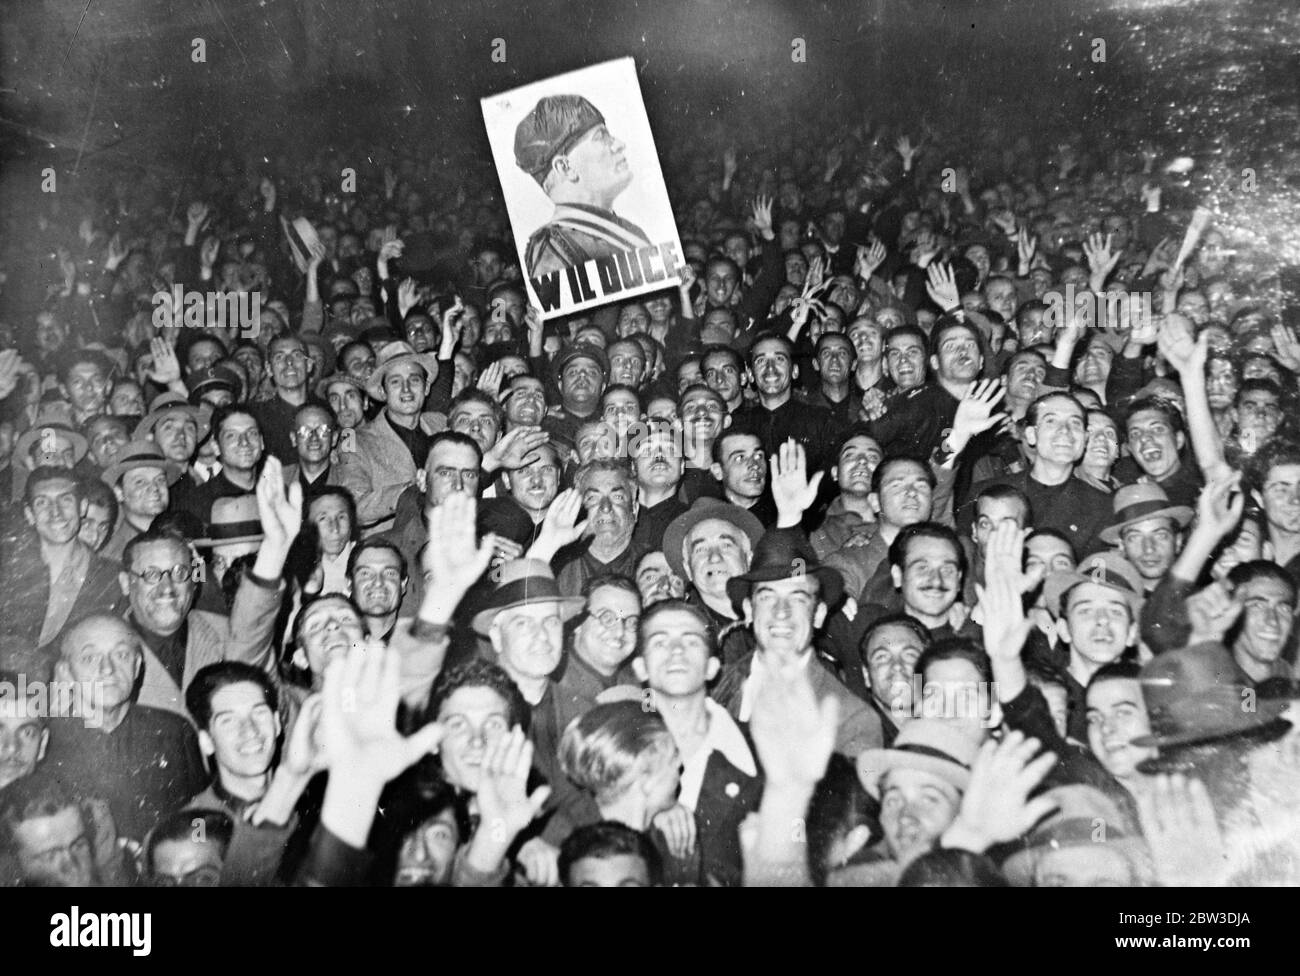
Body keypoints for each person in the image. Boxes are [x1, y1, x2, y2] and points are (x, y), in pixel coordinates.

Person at [42, 614, 208, 842]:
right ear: (65, 674)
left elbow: (200, 818)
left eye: (121, 655)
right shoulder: (46, 743)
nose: (107, 669)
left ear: (137, 666)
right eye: (90, 658)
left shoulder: (174, 731)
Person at [513, 94, 652, 278]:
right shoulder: (553, 249)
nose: (619, 144)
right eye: (601, 137)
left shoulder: (631, 231)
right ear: (565, 167)